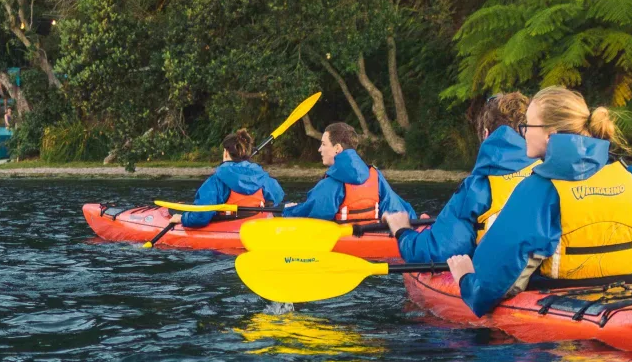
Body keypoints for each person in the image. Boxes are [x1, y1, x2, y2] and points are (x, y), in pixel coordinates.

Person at [444, 87, 632, 317]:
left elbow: (496, 283)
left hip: (564, 304)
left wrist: (468, 281)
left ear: (550, 135)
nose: (522, 132)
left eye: (527, 125)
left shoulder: (538, 189)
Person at [384, 92, 536, 263]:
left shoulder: (478, 188)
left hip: (500, 276)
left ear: (486, 134)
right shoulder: (553, 175)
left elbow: (436, 251)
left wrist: (403, 231)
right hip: (549, 275)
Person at [282, 122, 410, 222]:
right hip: (371, 238)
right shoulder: (375, 176)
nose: (319, 149)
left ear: (337, 148)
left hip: (344, 241)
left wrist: (288, 210)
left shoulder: (331, 183)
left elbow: (313, 213)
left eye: (324, 144)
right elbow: (396, 208)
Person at [169, 129, 287, 228]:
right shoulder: (261, 176)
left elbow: (200, 217)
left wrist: (182, 218)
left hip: (229, 228)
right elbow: (278, 196)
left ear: (225, 152)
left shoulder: (216, 181)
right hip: (254, 227)